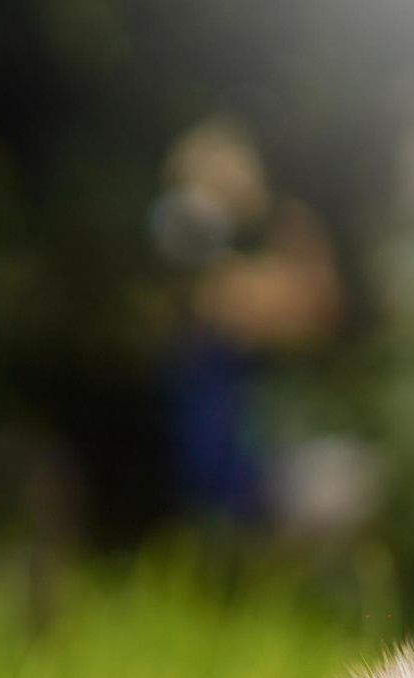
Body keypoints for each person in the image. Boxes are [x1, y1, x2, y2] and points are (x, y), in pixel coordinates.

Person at [148, 119, 343, 523]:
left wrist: (258, 303)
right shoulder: (183, 235)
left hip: (278, 401)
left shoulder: (287, 228)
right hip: (210, 393)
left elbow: (320, 310)